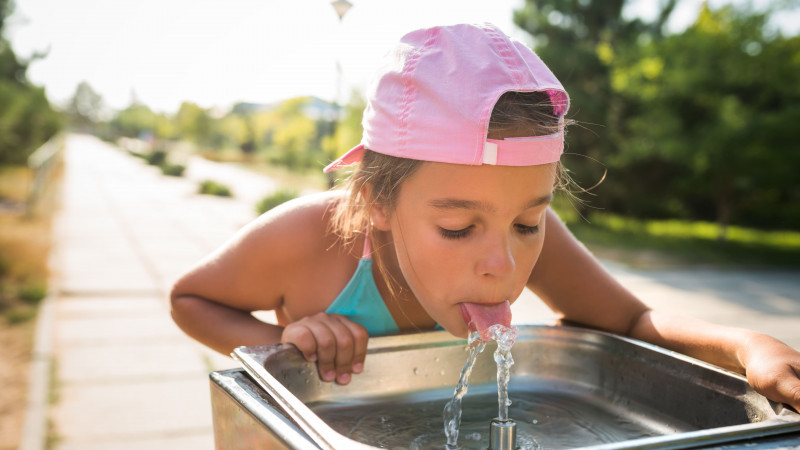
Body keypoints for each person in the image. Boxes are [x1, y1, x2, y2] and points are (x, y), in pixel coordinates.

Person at [170, 23, 800, 410]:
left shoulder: (521, 234)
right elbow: (189, 298)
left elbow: (630, 318)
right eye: (456, 228)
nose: (504, 263)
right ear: (375, 202)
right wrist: (281, 346)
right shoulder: (307, 238)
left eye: (528, 223)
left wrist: (748, 343)